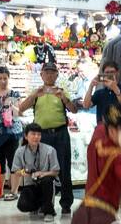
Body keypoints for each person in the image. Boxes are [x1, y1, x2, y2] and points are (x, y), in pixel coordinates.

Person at [18, 62, 79, 215]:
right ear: (42, 75)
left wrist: (64, 98)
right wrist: (33, 95)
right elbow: (21, 108)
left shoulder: (62, 91)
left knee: (64, 169)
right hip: (41, 136)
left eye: (52, 72)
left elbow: (74, 109)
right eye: (47, 72)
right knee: (40, 169)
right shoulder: (36, 92)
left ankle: (66, 204)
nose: (50, 75)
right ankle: (42, 204)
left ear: (57, 75)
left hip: (60, 134)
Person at [0, 66, 23, 199]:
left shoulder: (14, 94)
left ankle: (14, 191)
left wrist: (10, 105)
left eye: (5, 78)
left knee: (13, 161)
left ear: (9, 79)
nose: (3, 81)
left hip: (12, 132)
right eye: (0, 78)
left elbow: (20, 112)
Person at [10, 124, 58, 220]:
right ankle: (38, 206)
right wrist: (26, 172)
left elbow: (55, 172)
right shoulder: (20, 152)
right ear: (26, 136)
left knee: (47, 180)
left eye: (39, 134)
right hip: (31, 183)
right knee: (22, 205)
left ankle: (49, 212)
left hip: (47, 183)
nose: (36, 137)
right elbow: (16, 172)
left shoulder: (50, 150)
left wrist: (42, 174)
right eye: (33, 134)